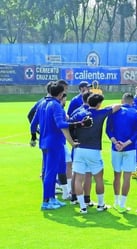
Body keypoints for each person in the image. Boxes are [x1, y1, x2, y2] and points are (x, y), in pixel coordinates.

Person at [30, 82, 79, 210]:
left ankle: (51, 198)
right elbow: (61, 124)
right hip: (55, 143)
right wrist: (78, 124)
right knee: (50, 173)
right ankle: (46, 201)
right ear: (61, 93)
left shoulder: (42, 103)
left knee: (48, 171)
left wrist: (33, 137)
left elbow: (33, 124)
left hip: (45, 142)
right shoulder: (56, 105)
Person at [72, 93, 121, 214]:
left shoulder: (79, 114)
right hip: (94, 150)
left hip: (79, 149)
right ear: (99, 104)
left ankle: (82, 207)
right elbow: (118, 106)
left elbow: (69, 124)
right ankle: (100, 204)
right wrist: (104, 107)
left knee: (78, 179)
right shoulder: (101, 113)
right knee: (99, 178)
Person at [106, 93, 137, 213]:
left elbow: (108, 130)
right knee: (127, 177)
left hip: (116, 148)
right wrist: (126, 144)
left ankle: (116, 201)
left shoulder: (114, 112)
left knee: (116, 175)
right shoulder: (136, 113)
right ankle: (122, 203)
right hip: (130, 148)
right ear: (132, 102)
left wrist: (116, 142)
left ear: (122, 100)